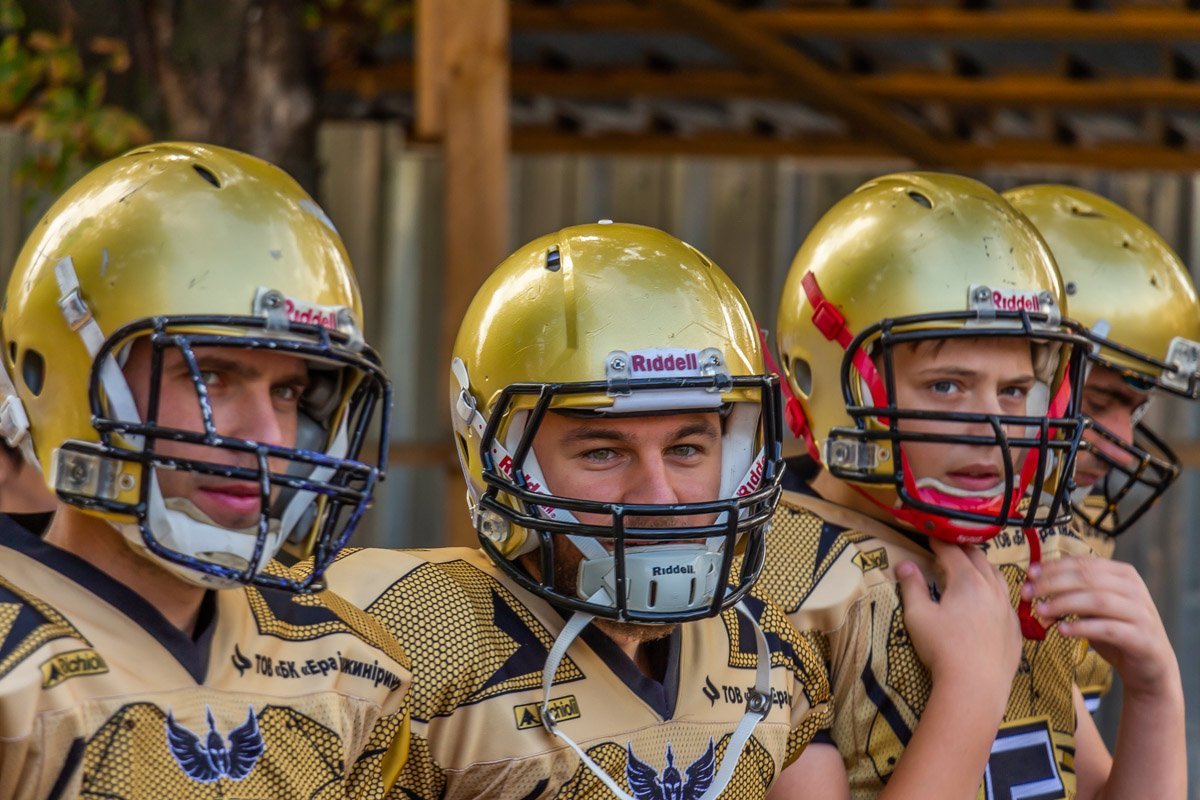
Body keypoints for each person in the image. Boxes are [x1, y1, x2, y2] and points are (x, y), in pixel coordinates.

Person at [311, 222, 834, 799]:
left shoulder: (765, 652)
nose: (658, 497)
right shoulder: (402, 636)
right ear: (502, 460)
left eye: (687, 449)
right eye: (603, 452)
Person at [0, 142, 412, 798]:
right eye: (213, 376)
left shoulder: (348, 665)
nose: (267, 438)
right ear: (64, 376)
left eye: (288, 392)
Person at [756, 171, 1179, 800]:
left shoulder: (1011, 548)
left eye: (1014, 391)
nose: (994, 430)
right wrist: (971, 689)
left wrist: (1155, 694)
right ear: (821, 376)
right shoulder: (768, 577)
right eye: (948, 386)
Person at [1005, 184, 1197, 724]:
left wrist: (1155, 688)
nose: (1125, 448)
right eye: (1101, 401)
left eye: (1134, 412)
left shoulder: (1068, 534)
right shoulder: (822, 557)